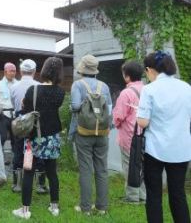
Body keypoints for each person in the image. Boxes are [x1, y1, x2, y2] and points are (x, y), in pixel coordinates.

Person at [136, 51, 191, 223]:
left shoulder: (149, 89)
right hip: (181, 149)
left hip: (156, 150)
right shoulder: (187, 87)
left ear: (149, 70)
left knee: (154, 195)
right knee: (178, 194)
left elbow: (143, 122)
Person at [12, 57, 65, 219]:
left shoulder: (33, 90)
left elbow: (26, 109)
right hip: (53, 137)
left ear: (43, 70)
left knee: (28, 171)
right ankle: (54, 206)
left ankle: (25, 210)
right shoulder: (60, 92)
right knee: (52, 172)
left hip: (34, 137)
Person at [71, 54, 112, 215]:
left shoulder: (78, 85)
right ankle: (101, 207)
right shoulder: (105, 86)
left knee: (86, 169)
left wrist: (86, 104)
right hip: (102, 132)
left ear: (82, 69)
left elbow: (74, 106)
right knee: (102, 169)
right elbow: (110, 109)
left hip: (83, 132)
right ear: (95, 70)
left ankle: (86, 208)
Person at [10, 59, 48, 194]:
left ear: (21, 71)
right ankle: (40, 185)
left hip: (20, 121)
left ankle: (17, 184)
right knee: (38, 151)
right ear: (34, 71)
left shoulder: (14, 87)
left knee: (18, 150)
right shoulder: (40, 86)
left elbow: (14, 105)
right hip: (36, 122)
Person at [112, 61, 146, 204]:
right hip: (145, 134)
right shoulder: (147, 89)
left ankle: (132, 197)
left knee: (130, 166)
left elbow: (118, 116)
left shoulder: (126, 93)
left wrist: (116, 123)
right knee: (141, 166)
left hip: (130, 136)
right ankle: (143, 195)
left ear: (127, 76)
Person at [0, 62, 18, 148]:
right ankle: (0, 160)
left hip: (15, 115)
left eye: (14, 71)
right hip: (3, 115)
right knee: (2, 138)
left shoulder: (18, 84)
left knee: (16, 139)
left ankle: (16, 161)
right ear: (5, 72)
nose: (13, 73)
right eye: (11, 71)